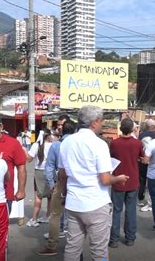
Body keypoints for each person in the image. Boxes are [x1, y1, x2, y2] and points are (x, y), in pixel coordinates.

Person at [58, 105, 128, 261]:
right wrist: (118, 178)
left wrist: (63, 194)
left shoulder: (66, 143)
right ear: (95, 122)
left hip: (73, 202)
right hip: (96, 203)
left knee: (72, 248)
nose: (102, 123)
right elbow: (105, 179)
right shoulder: (99, 144)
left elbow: (62, 175)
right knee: (99, 251)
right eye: (101, 120)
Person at [37, 120, 76, 256]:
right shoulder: (79, 144)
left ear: (61, 131)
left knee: (55, 215)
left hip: (60, 182)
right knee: (77, 217)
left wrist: (52, 184)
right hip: (78, 183)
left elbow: (49, 167)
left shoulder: (56, 146)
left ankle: (52, 245)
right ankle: (75, 247)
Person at [109, 118, 144, 248]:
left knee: (116, 210)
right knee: (131, 210)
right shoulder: (138, 143)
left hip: (118, 179)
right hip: (133, 179)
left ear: (120, 129)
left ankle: (114, 239)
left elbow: (111, 157)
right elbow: (143, 157)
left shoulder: (114, 143)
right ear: (132, 129)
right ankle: (130, 238)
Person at [26, 128, 53, 227]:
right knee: (50, 195)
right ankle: (48, 216)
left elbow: (29, 159)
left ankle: (34, 218)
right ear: (49, 136)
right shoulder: (53, 145)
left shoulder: (36, 145)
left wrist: (24, 151)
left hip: (39, 171)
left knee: (38, 196)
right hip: (51, 171)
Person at [138, 119, 155, 211]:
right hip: (154, 161)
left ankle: (141, 197)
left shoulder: (141, 135)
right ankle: (151, 201)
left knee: (142, 180)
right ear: (153, 127)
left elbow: (139, 147)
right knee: (152, 182)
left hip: (142, 160)